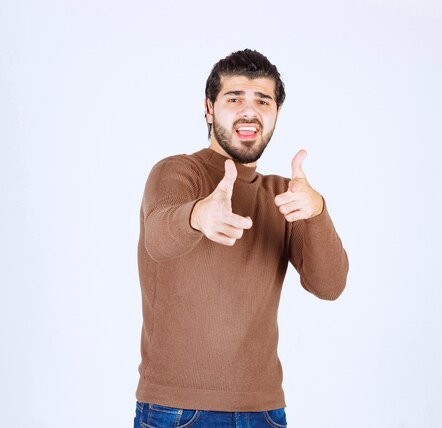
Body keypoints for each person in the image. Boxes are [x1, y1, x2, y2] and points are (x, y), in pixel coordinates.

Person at [133, 49, 349, 428]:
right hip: (178, 411)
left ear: (276, 115)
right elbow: (159, 236)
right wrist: (198, 216)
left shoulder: (284, 195)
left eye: (262, 101)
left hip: (265, 412)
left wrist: (316, 211)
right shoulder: (175, 173)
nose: (249, 111)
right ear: (209, 108)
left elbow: (329, 285)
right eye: (234, 99)